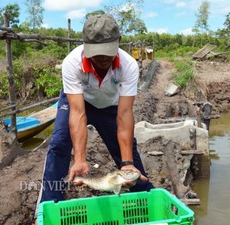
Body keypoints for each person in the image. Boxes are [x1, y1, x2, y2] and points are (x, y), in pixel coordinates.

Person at [33, 14, 154, 224]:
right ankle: (47, 208)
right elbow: (78, 113)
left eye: (107, 53)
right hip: (79, 101)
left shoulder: (128, 65)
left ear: (118, 42)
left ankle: (147, 202)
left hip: (110, 105)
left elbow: (125, 114)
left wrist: (126, 163)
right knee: (59, 144)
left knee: (128, 157)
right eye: (97, 54)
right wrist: (79, 159)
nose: (102, 59)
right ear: (85, 46)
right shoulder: (72, 62)